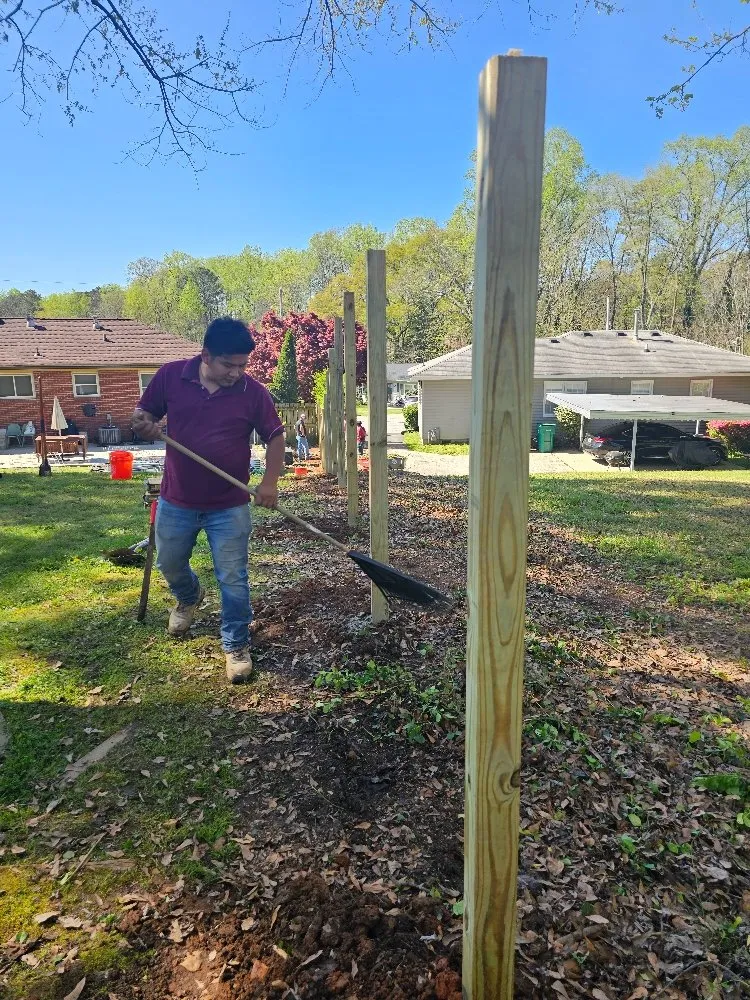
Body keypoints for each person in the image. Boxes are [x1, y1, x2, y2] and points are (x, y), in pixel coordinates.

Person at [131, 317, 285, 684]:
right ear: (205, 355)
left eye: (242, 365)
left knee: (233, 578)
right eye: (228, 365)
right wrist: (144, 423)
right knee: (169, 562)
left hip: (229, 504)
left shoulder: (252, 392)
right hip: (177, 500)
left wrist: (269, 483)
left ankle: (236, 644)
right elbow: (143, 416)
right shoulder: (171, 376)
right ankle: (189, 596)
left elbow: (276, 437)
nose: (236, 373)